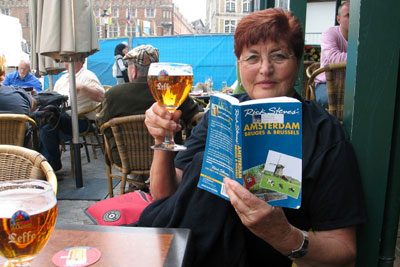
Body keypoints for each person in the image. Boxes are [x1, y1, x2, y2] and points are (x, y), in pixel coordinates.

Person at [140, 8, 366, 266]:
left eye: (279, 56)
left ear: (297, 61)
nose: (265, 69)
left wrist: (283, 235)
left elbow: (345, 251)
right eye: (252, 58)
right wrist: (161, 140)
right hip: (181, 246)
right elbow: (165, 194)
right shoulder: (223, 114)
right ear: (239, 64)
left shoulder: (324, 135)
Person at [96, 44, 201, 168]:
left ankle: (136, 183)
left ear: (133, 70)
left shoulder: (113, 94)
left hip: (124, 160)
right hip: (170, 157)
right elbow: (197, 117)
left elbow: (100, 124)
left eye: (128, 66)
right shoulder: (174, 92)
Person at [40, 59, 104, 171]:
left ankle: (49, 165)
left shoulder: (88, 76)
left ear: (82, 61)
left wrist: (83, 88)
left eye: (71, 60)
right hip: (64, 119)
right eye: (65, 61)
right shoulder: (62, 79)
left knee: (49, 123)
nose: (67, 63)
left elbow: (101, 97)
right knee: (44, 125)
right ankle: (48, 164)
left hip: (81, 121)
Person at [314, 1, 349, 108]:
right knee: (326, 100)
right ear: (339, 19)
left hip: (350, 84)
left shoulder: (362, 38)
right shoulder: (329, 33)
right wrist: (362, 57)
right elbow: (334, 59)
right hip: (327, 83)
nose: (353, 19)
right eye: (348, 15)